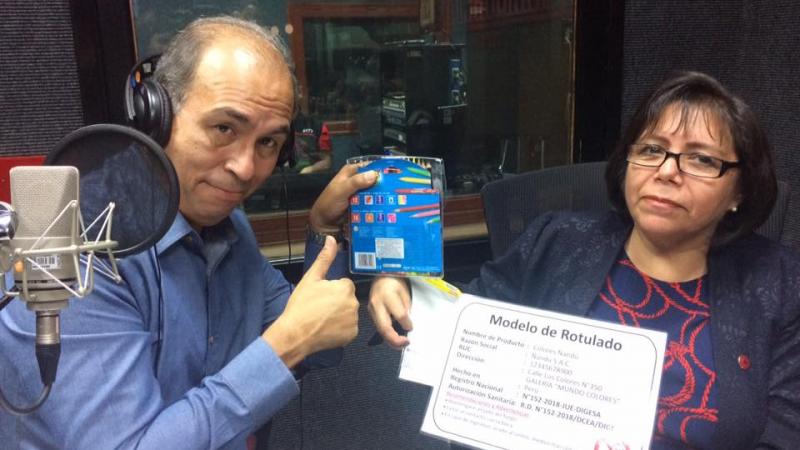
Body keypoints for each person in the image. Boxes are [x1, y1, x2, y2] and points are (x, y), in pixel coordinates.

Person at [0, 16, 376, 449]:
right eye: (224, 129)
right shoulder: (78, 245)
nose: (245, 168)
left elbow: (318, 342)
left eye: (268, 143)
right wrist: (284, 346)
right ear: (156, 117)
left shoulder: (229, 226)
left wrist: (324, 230)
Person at [369, 71, 800, 448]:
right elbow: (469, 325)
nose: (667, 171)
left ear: (739, 190)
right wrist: (402, 287)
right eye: (651, 150)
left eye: (701, 159)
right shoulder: (558, 241)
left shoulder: (780, 283)